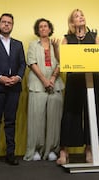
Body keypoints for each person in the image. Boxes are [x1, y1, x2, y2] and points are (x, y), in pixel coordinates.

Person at [56, 9, 99, 165]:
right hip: (75, 79)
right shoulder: (67, 38)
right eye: (77, 16)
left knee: (93, 113)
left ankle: (90, 149)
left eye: (82, 15)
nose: (81, 18)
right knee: (71, 113)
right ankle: (64, 151)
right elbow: (62, 61)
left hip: (93, 79)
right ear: (72, 22)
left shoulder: (94, 36)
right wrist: (55, 50)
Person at [0, 13, 26, 167]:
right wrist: (0, 77)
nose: (6, 24)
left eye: (9, 22)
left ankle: (10, 154)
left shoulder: (18, 44)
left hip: (14, 87)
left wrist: (18, 77)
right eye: (4, 22)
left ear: (12, 25)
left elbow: (23, 64)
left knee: (10, 122)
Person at [23, 18, 64, 162]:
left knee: (54, 119)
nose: (43, 28)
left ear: (50, 28)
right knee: (36, 119)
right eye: (40, 27)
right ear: (37, 30)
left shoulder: (56, 44)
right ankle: (35, 150)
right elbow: (32, 63)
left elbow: (62, 62)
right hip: (37, 85)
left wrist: (52, 78)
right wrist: (45, 80)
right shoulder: (33, 45)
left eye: (46, 26)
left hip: (55, 84)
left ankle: (52, 150)